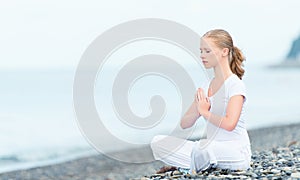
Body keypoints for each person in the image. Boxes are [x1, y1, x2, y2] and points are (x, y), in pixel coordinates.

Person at [151, 29, 251, 174]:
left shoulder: (235, 84)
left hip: (235, 152)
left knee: (202, 148)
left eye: (207, 51)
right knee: (158, 142)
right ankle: (196, 165)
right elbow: (185, 124)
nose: (202, 56)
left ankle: (189, 168)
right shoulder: (206, 86)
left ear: (224, 51)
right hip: (209, 149)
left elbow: (230, 124)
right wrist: (198, 109)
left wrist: (205, 112)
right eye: (201, 51)